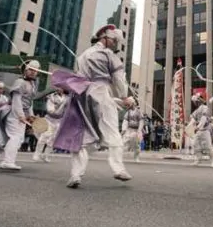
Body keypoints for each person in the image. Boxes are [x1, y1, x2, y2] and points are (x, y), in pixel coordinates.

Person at [51, 24, 133, 188]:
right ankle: (118, 169)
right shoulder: (109, 55)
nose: (115, 44)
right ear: (105, 37)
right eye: (114, 40)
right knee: (112, 131)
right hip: (100, 92)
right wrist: (125, 96)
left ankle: (76, 174)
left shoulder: (83, 56)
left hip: (81, 94)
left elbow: (79, 77)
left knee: (81, 136)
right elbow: (118, 79)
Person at [0, 61, 40, 170]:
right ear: (25, 70)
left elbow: (29, 102)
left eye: (36, 70)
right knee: (16, 137)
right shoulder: (20, 82)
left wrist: (31, 115)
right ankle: (8, 162)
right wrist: (20, 115)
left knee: (5, 138)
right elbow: (16, 100)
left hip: (21, 113)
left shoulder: (33, 84)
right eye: (31, 69)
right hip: (13, 113)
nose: (33, 72)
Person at [33, 88, 68, 162]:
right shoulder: (51, 96)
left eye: (61, 87)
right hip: (49, 119)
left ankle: (46, 155)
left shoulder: (67, 97)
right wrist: (59, 108)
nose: (59, 89)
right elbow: (50, 110)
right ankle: (37, 154)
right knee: (44, 136)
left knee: (53, 139)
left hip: (59, 120)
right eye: (57, 87)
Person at [188, 93, 213, 167]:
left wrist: (198, 127)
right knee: (195, 144)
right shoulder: (196, 110)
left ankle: (212, 161)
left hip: (205, 130)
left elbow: (203, 119)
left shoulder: (205, 108)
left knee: (208, 146)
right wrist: (189, 126)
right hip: (199, 131)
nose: (194, 103)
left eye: (195, 102)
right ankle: (198, 159)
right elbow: (193, 119)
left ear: (198, 101)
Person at [121, 97, 145, 162]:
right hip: (129, 130)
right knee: (123, 142)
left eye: (128, 104)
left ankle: (136, 157)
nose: (127, 106)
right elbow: (125, 121)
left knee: (136, 145)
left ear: (133, 103)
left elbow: (141, 121)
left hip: (136, 131)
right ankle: (119, 156)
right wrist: (123, 130)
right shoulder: (128, 112)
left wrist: (139, 130)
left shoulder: (139, 112)